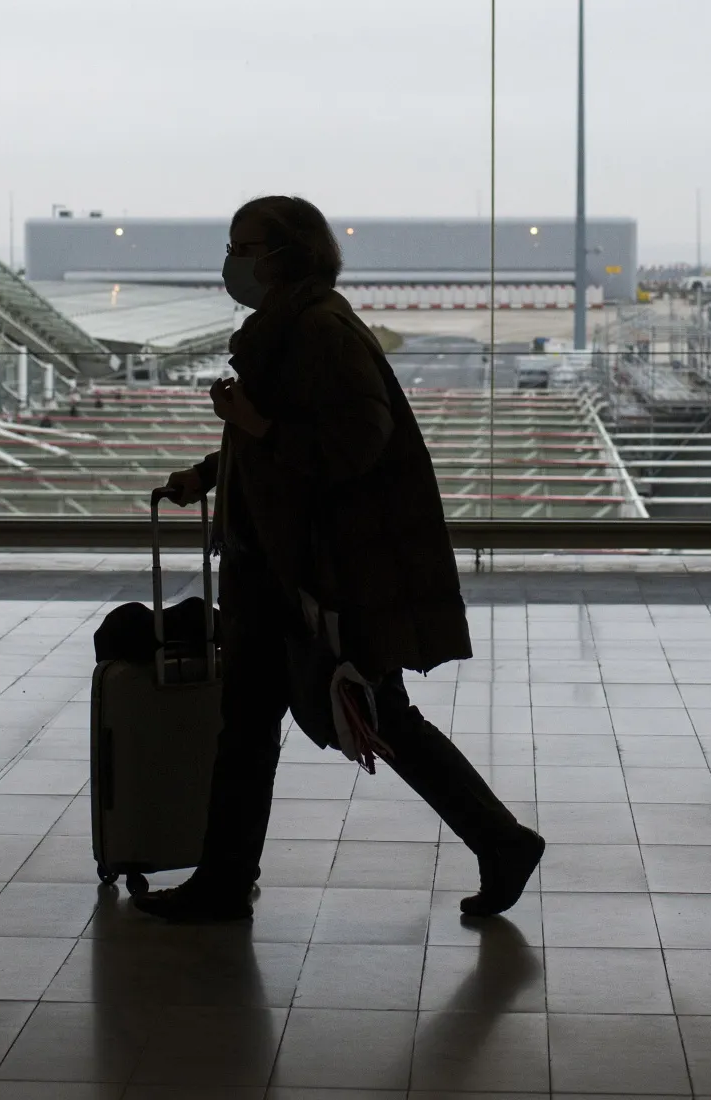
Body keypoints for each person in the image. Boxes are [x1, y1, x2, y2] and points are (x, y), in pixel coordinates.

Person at [136, 195, 544, 924]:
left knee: (370, 714)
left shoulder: (320, 331)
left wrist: (252, 423)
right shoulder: (288, 329)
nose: (233, 262)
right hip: (276, 565)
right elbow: (280, 441)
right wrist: (210, 469)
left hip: (313, 571)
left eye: (245, 246)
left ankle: (501, 839)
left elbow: (354, 442)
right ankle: (225, 877)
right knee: (252, 722)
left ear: (288, 253)